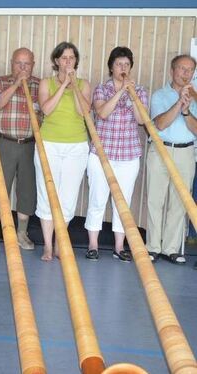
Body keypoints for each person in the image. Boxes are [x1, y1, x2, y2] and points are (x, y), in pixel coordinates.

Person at [84, 47, 147, 261]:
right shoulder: (102, 89)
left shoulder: (140, 91)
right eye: (119, 64)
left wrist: (132, 93)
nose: (123, 68)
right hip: (102, 153)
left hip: (129, 155)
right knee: (97, 199)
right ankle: (93, 244)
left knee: (123, 203)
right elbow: (102, 112)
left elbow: (141, 120)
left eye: (127, 65)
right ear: (111, 67)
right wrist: (121, 91)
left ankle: (119, 247)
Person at [35, 42, 91, 261]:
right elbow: (46, 109)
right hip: (48, 143)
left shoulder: (84, 84)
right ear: (56, 61)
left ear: (76, 61)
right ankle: (47, 246)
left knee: (68, 195)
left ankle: (60, 243)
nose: (68, 62)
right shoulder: (45, 83)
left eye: (72, 58)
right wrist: (63, 85)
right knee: (47, 193)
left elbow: (84, 111)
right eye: (64, 58)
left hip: (76, 146)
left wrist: (73, 86)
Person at [0, 47, 40, 251]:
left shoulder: (40, 85)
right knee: (0, 187)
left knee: (27, 189)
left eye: (27, 64)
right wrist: (17, 83)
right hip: (4, 142)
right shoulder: (0, 81)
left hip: (30, 144)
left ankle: (22, 233)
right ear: (11, 63)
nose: (23, 68)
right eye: (19, 63)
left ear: (33, 65)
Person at [147, 54, 197, 264]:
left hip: (186, 152)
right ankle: (152, 247)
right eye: (182, 69)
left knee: (180, 201)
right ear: (172, 70)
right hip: (160, 150)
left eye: (190, 70)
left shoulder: (196, 97)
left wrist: (187, 112)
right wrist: (179, 104)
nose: (186, 74)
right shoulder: (159, 95)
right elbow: (160, 124)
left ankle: (172, 248)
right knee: (155, 200)